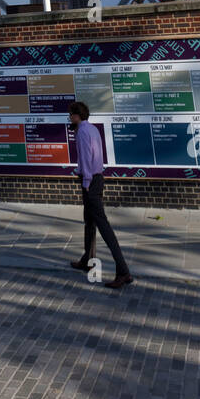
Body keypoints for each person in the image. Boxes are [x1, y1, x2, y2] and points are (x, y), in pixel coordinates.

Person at [68, 102, 133, 288]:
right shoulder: (92, 129)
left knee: (103, 226)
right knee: (89, 221)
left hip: (90, 182)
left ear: (76, 115)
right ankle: (87, 260)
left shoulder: (81, 132)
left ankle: (123, 271)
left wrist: (86, 181)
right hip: (97, 179)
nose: (69, 118)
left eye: (70, 114)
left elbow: (87, 157)